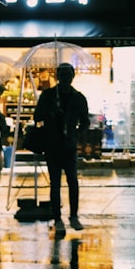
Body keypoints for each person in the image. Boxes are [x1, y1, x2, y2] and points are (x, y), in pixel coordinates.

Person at [33, 62, 89, 232]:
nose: (65, 78)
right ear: (57, 76)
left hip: (69, 145)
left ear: (72, 77)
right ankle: (57, 218)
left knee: (73, 181)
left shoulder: (78, 97)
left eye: (68, 75)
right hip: (52, 145)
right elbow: (37, 117)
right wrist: (51, 111)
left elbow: (85, 122)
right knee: (55, 183)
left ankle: (73, 216)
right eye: (62, 75)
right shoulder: (48, 95)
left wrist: (76, 134)